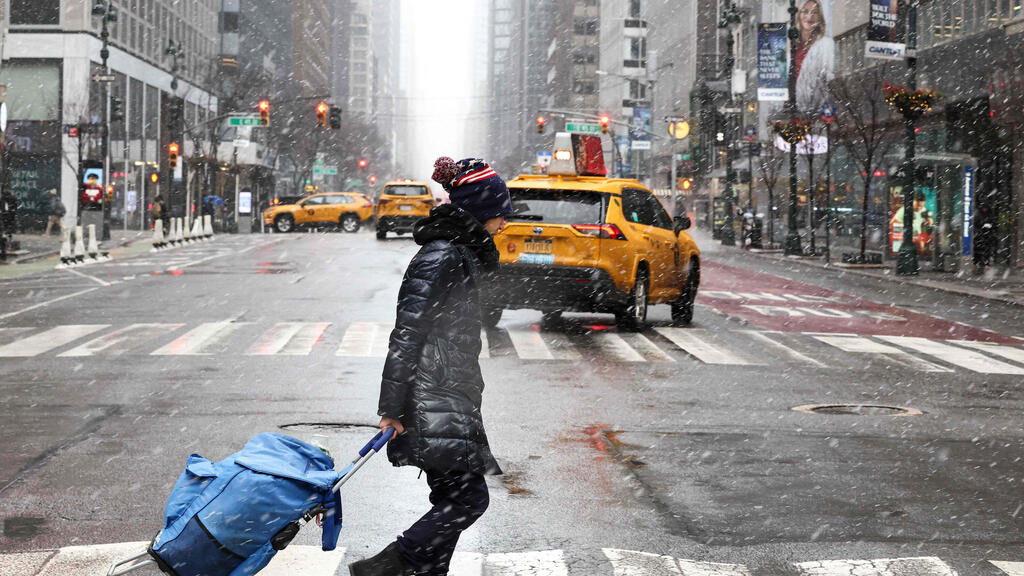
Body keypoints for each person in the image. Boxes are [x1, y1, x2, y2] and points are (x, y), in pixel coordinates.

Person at [348, 157, 509, 576]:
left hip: (448, 394)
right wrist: (392, 408)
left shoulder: (460, 254)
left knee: (452, 500)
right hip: (430, 396)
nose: (504, 223)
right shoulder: (442, 258)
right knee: (469, 500)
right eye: (499, 213)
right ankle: (385, 567)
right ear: (479, 210)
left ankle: (422, 571)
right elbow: (406, 333)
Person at [794, 0, 834, 115]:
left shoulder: (826, 45)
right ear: (798, 15)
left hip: (816, 112)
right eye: (805, 11)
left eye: (814, 12)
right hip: (791, 111)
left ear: (819, 17)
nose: (809, 16)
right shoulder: (791, 47)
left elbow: (828, 79)